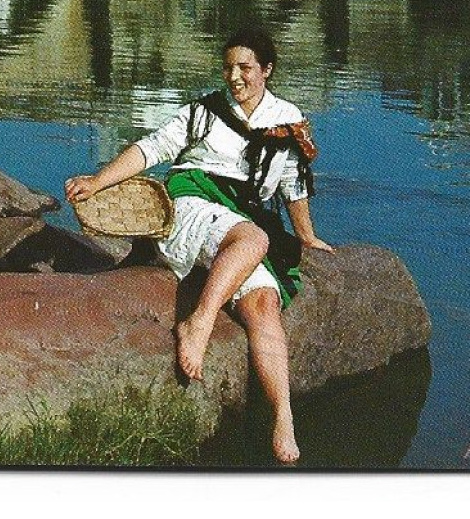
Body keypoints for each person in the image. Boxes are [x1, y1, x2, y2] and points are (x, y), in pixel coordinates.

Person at [65, 27, 333, 465]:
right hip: (193, 203)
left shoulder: (287, 117)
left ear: (266, 70)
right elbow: (151, 149)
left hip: (241, 220)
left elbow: (292, 185)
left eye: (245, 68)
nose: (234, 77)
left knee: (263, 302)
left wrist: (305, 235)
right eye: (228, 67)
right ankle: (199, 322)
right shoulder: (204, 112)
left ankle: (282, 415)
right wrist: (99, 180)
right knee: (254, 239)